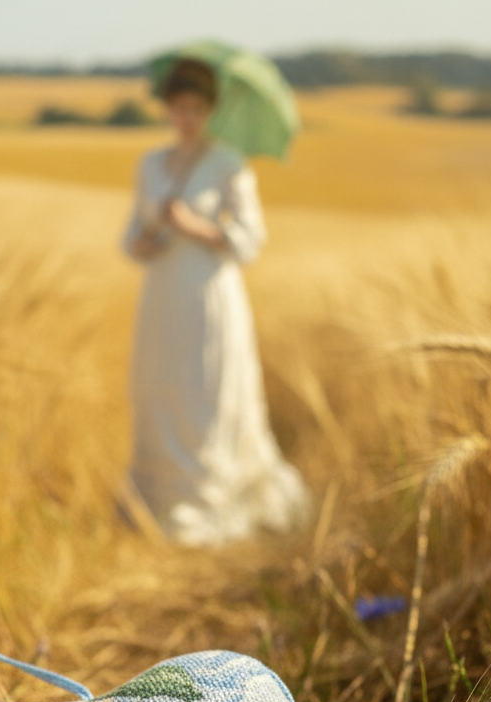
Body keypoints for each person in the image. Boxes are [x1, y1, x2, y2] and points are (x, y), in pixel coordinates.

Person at [123, 57, 309, 547]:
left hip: (209, 294)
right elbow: (130, 236)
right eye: (178, 107)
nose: (186, 117)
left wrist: (195, 227)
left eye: (196, 108)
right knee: (162, 386)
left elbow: (250, 240)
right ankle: (159, 498)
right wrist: (145, 240)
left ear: (209, 110)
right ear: (167, 108)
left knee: (207, 389)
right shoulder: (150, 164)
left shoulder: (228, 163)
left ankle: (211, 495)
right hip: (163, 294)